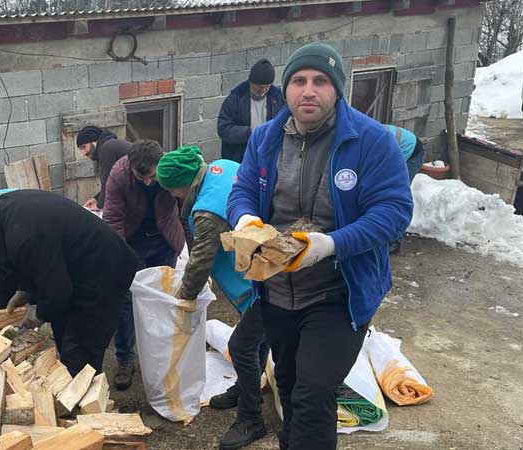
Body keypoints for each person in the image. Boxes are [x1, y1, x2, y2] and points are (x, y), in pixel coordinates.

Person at [225, 43, 413, 450]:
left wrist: (329, 245)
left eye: (320, 81)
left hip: (338, 293)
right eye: (298, 81)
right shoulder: (265, 139)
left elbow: (395, 211)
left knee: (313, 393)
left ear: (338, 89)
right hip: (276, 291)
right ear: (286, 89)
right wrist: (245, 218)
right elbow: (241, 190)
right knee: (289, 385)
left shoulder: (370, 141)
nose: (308, 90)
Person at [0, 190, 138, 376]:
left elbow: (58, 292)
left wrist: (39, 315)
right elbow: (38, 262)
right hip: (75, 267)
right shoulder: (3, 210)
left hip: (105, 271)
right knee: (62, 330)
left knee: (80, 350)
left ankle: (85, 404)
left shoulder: (23, 235)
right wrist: (25, 289)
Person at [155, 145, 269, 415]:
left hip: (259, 280)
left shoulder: (207, 212)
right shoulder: (223, 166)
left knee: (240, 346)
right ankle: (246, 388)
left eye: (170, 190)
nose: (171, 196)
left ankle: (250, 416)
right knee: (258, 340)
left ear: (182, 185)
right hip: (267, 265)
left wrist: (184, 298)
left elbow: (201, 261)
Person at [103, 140, 185, 390]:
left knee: (164, 297)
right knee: (125, 300)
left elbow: (187, 206)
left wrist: (189, 246)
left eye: (152, 177)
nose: (148, 182)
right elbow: (113, 219)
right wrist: (119, 257)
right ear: (132, 169)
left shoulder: (173, 169)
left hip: (164, 239)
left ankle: (163, 357)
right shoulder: (119, 175)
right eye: (142, 178)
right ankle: (125, 358)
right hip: (133, 241)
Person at [218, 59, 285, 163]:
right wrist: (250, 132)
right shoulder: (235, 98)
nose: (263, 90)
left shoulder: (277, 97)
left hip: (268, 154)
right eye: (260, 87)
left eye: (267, 86)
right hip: (240, 156)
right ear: (251, 82)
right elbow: (223, 128)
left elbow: (285, 122)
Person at [384, 124, 426, 254]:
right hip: (398, 147)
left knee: (397, 196)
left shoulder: (375, 143)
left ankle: (395, 240)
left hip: (412, 152)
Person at [76, 125, 131, 211]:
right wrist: (96, 199)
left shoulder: (106, 149)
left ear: (93, 141)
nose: (83, 153)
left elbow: (108, 182)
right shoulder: (108, 146)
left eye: (84, 147)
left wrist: (99, 205)